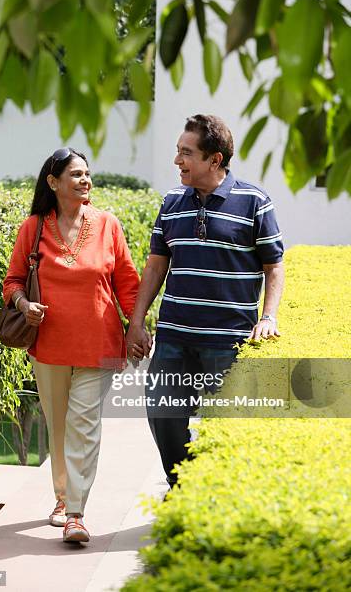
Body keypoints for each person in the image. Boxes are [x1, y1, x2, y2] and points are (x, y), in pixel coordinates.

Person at [126, 114, 284, 490]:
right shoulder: (171, 202)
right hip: (174, 337)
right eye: (178, 152)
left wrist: (269, 316)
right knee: (163, 415)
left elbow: (273, 267)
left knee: (222, 427)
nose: (178, 161)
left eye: (186, 153)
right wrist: (136, 321)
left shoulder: (255, 202)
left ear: (215, 159)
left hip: (227, 342)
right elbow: (154, 267)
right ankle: (182, 486)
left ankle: (210, 495)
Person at [3, 147, 139, 543]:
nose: (85, 180)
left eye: (87, 173)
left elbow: (127, 283)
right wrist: (24, 304)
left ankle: (76, 513)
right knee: (59, 425)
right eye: (76, 174)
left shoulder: (108, 224)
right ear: (53, 182)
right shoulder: (33, 228)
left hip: (100, 344)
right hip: (48, 347)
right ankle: (62, 498)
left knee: (84, 424)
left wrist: (137, 327)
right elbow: (12, 282)